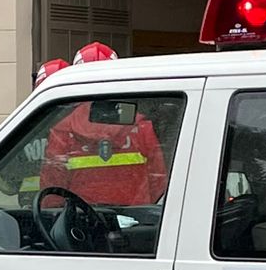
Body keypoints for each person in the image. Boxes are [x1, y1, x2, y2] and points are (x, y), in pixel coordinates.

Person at [42, 43, 171, 208]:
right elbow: (158, 182)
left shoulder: (63, 131)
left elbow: (52, 190)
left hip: (81, 220)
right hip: (135, 220)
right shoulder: (140, 126)